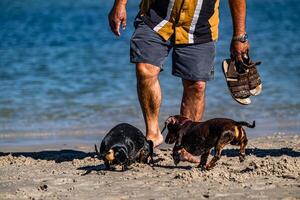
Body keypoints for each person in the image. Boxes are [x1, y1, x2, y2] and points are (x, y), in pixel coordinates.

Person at [108, 0, 249, 158]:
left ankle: (187, 144)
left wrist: (239, 36)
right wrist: (120, 4)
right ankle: (153, 133)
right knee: (145, 69)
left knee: (196, 85)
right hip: (156, 16)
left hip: (199, 23)